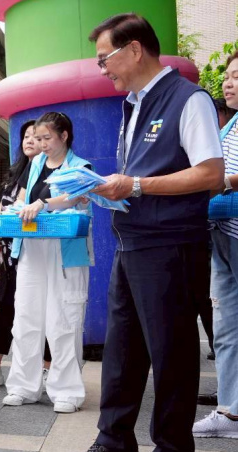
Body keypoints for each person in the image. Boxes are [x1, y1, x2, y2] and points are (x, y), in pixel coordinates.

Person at [87, 13, 224, 452]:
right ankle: (112, 442)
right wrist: (107, 190)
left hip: (171, 248)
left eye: (104, 58)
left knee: (172, 356)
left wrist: (137, 185)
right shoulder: (133, 106)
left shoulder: (188, 100)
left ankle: (172, 445)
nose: (102, 69)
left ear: (134, 50)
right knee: (122, 353)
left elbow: (211, 174)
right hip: (131, 245)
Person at [3, 113, 93, 414]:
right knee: (26, 318)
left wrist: (42, 204)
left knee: (63, 319)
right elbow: (26, 198)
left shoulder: (82, 168)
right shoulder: (36, 164)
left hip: (65, 250)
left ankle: (66, 391)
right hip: (32, 246)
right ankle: (23, 386)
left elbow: (70, 198)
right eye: (37, 138)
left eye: (46, 138)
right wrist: (19, 208)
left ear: (64, 136)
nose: (40, 144)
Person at [0, 121, 53, 389]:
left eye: (36, 136)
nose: (30, 140)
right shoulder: (15, 173)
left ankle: (47, 369)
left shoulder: (49, 172)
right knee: (5, 306)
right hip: (9, 251)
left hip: (36, 250)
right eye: (26, 136)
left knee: (41, 308)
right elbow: (1, 206)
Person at [192, 51, 238, 439]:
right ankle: (230, 413)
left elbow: (222, 177)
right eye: (227, 75)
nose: (228, 82)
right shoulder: (231, 124)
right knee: (224, 328)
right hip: (221, 234)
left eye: (237, 75)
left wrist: (225, 182)